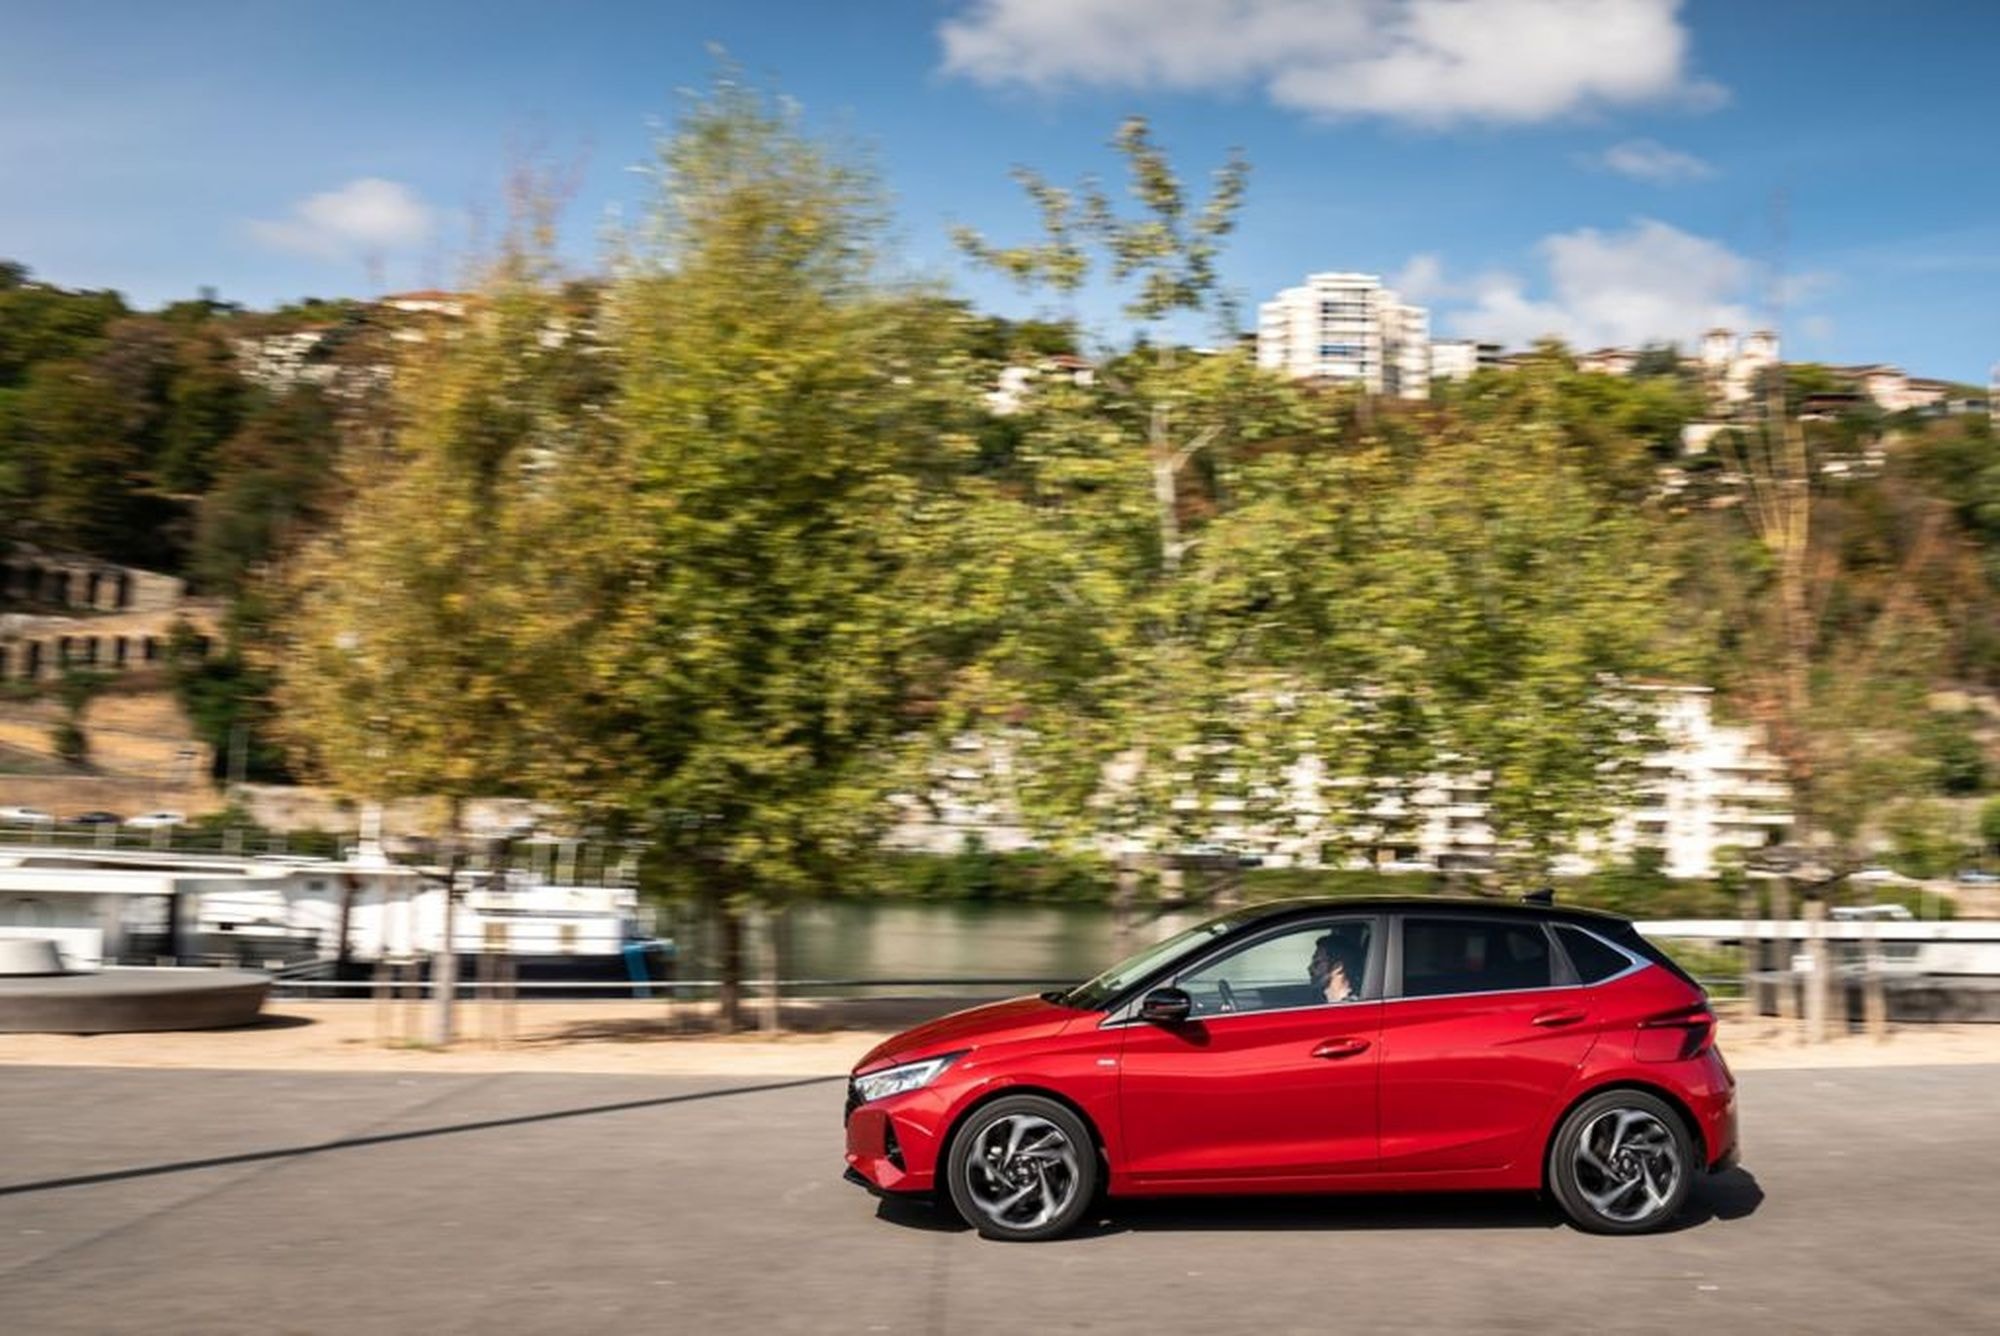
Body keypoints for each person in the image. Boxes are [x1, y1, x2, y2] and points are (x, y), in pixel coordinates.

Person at [1309, 932, 1364, 1003]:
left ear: (1338, 967)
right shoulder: (1321, 999)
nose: (1310, 968)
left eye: (1317, 963)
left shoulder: (1352, 1006)